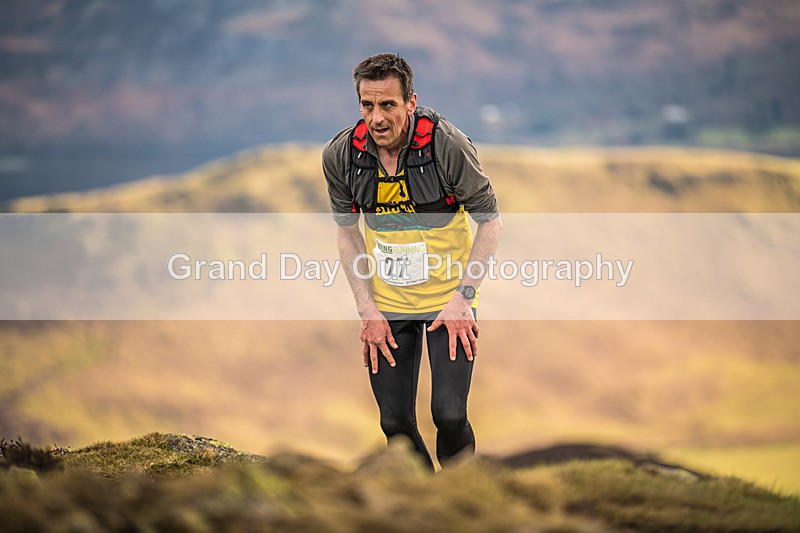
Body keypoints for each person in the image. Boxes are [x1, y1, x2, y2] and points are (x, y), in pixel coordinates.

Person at [322, 53, 502, 470]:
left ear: (410, 103)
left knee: (449, 414)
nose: (377, 118)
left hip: (448, 301)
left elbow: (490, 224)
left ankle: (461, 497)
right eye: (367, 105)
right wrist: (366, 308)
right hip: (387, 303)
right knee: (395, 423)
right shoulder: (342, 156)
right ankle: (425, 505)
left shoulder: (447, 145)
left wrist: (463, 299)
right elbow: (347, 231)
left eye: (388, 104)